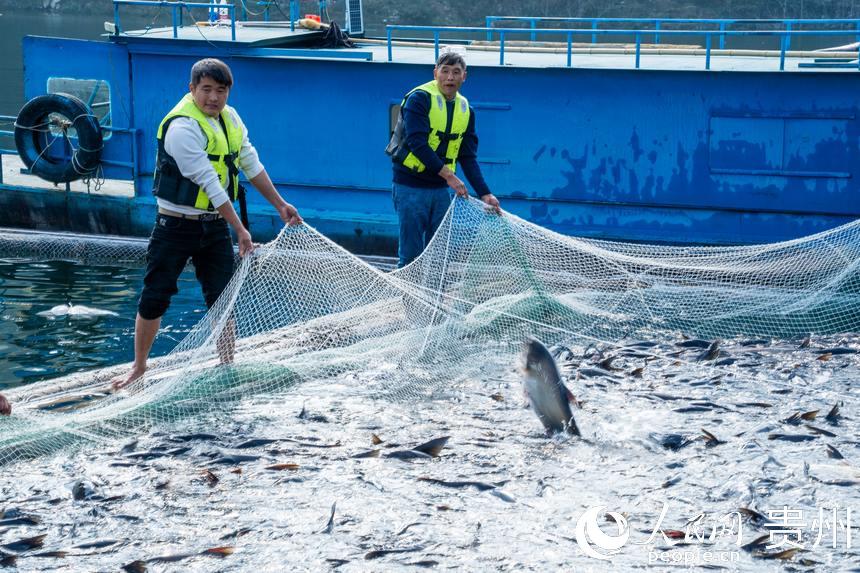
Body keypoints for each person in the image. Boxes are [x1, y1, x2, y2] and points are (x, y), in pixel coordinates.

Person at [112, 58, 302, 389]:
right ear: (192, 89)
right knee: (156, 294)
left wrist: (280, 205)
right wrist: (240, 230)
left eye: (221, 90)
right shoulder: (182, 128)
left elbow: (251, 164)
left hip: (213, 225)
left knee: (222, 296)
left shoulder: (231, 120)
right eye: (207, 90)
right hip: (175, 224)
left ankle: (228, 363)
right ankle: (139, 368)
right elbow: (210, 184)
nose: (214, 98)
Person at [386, 51, 501, 268]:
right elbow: (417, 143)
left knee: (439, 255)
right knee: (411, 255)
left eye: (456, 72)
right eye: (445, 71)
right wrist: (450, 176)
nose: (450, 77)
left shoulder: (466, 109)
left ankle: (433, 299)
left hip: (440, 191)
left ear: (464, 76)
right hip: (410, 187)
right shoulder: (419, 99)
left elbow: (467, 156)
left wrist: (485, 193)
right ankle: (409, 301)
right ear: (435, 73)